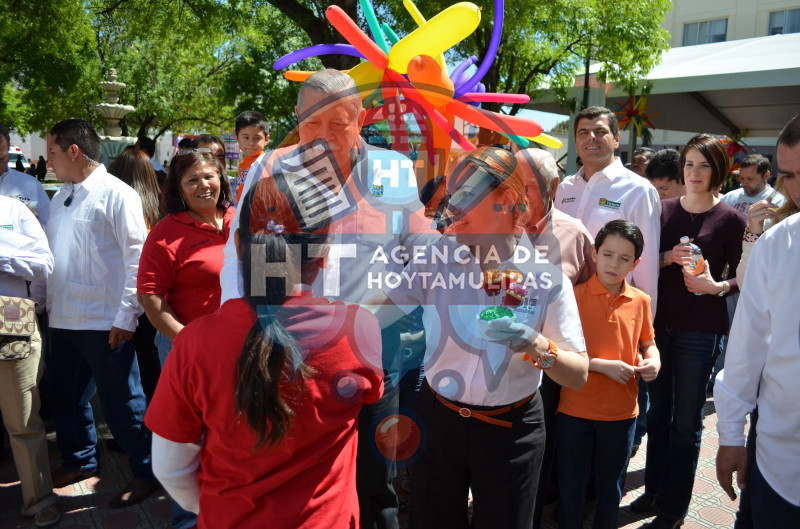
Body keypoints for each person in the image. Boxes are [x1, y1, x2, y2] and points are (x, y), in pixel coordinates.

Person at [220, 69, 434, 529]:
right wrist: (239, 331)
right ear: (296, 119)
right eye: (311, 125)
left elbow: (421, 250)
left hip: (374, 355)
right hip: (290, 353)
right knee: (296, 474)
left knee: (377, 479)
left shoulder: (394, 170)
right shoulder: (268, 168)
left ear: (360, 119)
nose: (321, 138)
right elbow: (237, 256)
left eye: (338, 124)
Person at [145, 176, 384, 528]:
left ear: (239, 244)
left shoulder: (193, 344)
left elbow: (170, 467)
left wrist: (213, 507)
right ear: (325, 251)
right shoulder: (359, 331)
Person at [370, 146, 589, 529]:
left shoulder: (544, 278)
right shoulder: (436, 258)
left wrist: (536, 345)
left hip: (512, 431)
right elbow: (384, 311)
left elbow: (577, 374)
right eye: (454, 195)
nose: (454, 207)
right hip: (438, 420)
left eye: (469, 195)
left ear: (506, 202)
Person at [632, 134, 746, 529]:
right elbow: (640, 260)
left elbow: (744, 277)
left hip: (701, 331)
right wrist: (665, 258)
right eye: (689, 164)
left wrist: (719, 287)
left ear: (718, 171)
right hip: (658, 326)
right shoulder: (661, 211)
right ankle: (653, 491)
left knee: (685, 422)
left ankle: (674, 507)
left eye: (703, 165)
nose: (694, 173)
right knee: (658, 413)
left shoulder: (731, 219)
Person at [45, 119, 157, 507]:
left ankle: (147, 472)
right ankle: (80, 459)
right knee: (66, 396)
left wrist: (127, 317)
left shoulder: (117, 194)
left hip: (104, 322)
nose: (49, 161)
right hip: (64, 319)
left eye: (53, 153)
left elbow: (137, 261)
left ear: (74, 151)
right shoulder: (62, 195)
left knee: (123, 403)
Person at [137, 147, 234, 529]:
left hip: (243, 349)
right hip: (188, 350)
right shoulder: (167, 232)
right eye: (192, 180)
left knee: (230, 435)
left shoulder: (239, 219)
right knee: (190, 440)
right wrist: (188, 342)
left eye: (209, 176)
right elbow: (151, 299)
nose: (203, 185)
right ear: (178, 188)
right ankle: (187, 520)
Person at [557, 220, 660, 529]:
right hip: (574, 409)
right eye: (608, 254)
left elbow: (648, 343)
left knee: (610, 490)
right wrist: (602, 366)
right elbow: (556, 351)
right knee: (571, 489)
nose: (614, 264)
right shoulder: (572, 296)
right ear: (594, 253)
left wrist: (654, 362)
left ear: (636, 263)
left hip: (621, 413)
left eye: (624, 258)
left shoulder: (640, 301)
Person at [724, 114, 800, 529]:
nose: (797, 189)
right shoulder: (780, 239)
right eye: (790, 176)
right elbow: (749, 341)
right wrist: (732, 433)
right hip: (779, 461)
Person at [516, 147, 595, 529]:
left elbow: (589, 297)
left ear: (551, 188)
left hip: (552, 367)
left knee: (540, 454)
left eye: (527, 186)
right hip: (492, 371)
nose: (516, 194)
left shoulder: (575, 234)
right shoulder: (493, 229)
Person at [555, 106, 661, 316]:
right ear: (576, 143)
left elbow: (646, 265)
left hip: (612, 310)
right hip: (563, 304)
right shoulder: (565, 188)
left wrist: (643, 330)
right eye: (583, 133)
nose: (591, 137)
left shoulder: (638, 190)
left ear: (616, 139)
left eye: (601, 132)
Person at [0, 195, 59, 527]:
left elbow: (44, 264)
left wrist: (3, 258)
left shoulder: (12, 209)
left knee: (23, 421)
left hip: (10, 324)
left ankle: (39, 500)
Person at [108, 147, 163, 403]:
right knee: (147, 355)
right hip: (153, 295)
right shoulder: (159, 207)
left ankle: (135, 424)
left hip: (123, 296)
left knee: (126, 364)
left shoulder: (119, 205)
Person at [0, 123, 51, 226]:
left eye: (1, 159)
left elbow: (49, 225)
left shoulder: (31, 184)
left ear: (9, 148)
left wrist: (36, 225)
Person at [233, 110, 269, 202]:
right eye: (246, 137)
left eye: (257, 138)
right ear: (236, 136)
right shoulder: (243, 163)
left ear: (266, 139)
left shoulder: (265, 163)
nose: (251, 143)